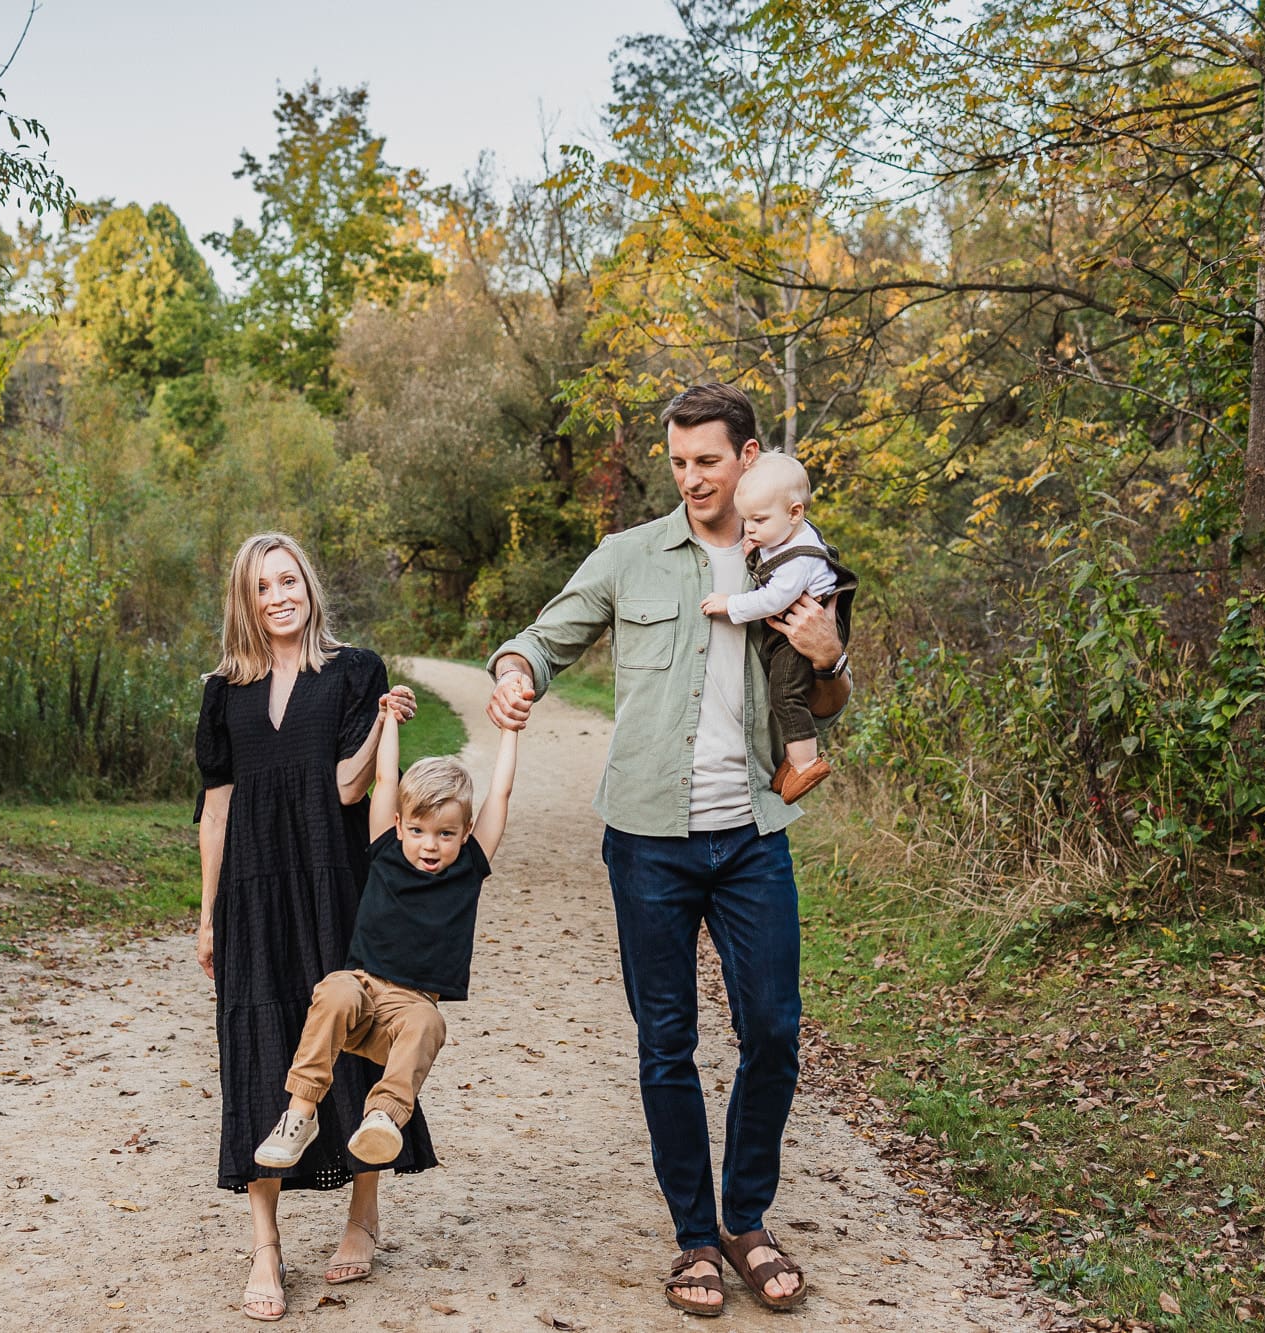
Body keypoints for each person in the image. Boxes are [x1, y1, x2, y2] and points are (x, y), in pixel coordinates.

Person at [484, 383, 849, 1317]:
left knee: (772, 1026)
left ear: (749, 454)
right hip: (647, 838)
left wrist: (831, 653)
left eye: (708, 461)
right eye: (678, 462)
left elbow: (825, 704)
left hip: (754, 831)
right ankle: (695, 1235)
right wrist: (515, 674)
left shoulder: (801, 558)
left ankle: (748, 1218)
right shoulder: (629, 556)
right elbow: (542, 638)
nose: (691, 478)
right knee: (667, 1040)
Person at [194, 532, 436, 1322]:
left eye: (288, 580)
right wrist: (206, 917)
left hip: (336, 885)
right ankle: (265, 1241)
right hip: (252, 896)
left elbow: (345, 783)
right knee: (257, 1047)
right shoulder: (222, 692)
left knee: (354, 1035)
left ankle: (362, 1214)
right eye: (262, 586)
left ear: (309, 586)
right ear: (246, 598)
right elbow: (217, 808)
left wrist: (380, 720)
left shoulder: (354, 670)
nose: (278, 596)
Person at [254, 694, 519, 1171]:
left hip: (410, 1008)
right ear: (398, 824)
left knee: (428, 1024)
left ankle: (382, 1118)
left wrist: (510, 732)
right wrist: (390, 718)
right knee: (335, 988)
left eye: (444, 834)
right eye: (417, 830)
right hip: (362, 992)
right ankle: (300, 1113)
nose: (430, 844)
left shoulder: (469, 869)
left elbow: (499, 796)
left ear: (466, 833)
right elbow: (385, 778)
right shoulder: (386, 850)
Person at [699, 451, 858, 803]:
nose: (749, 528)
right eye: (745, 520)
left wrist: (730, 604)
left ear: (794, 513)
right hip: (789, 629)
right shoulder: (785, 532)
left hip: (801, 633)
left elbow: (772, 600)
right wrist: (753, 551)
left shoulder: (799, 558)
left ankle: (806, 763)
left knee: (786, 693)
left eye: (758, 520)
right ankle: (793, 758)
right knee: (780, 688)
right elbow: (770, 559)